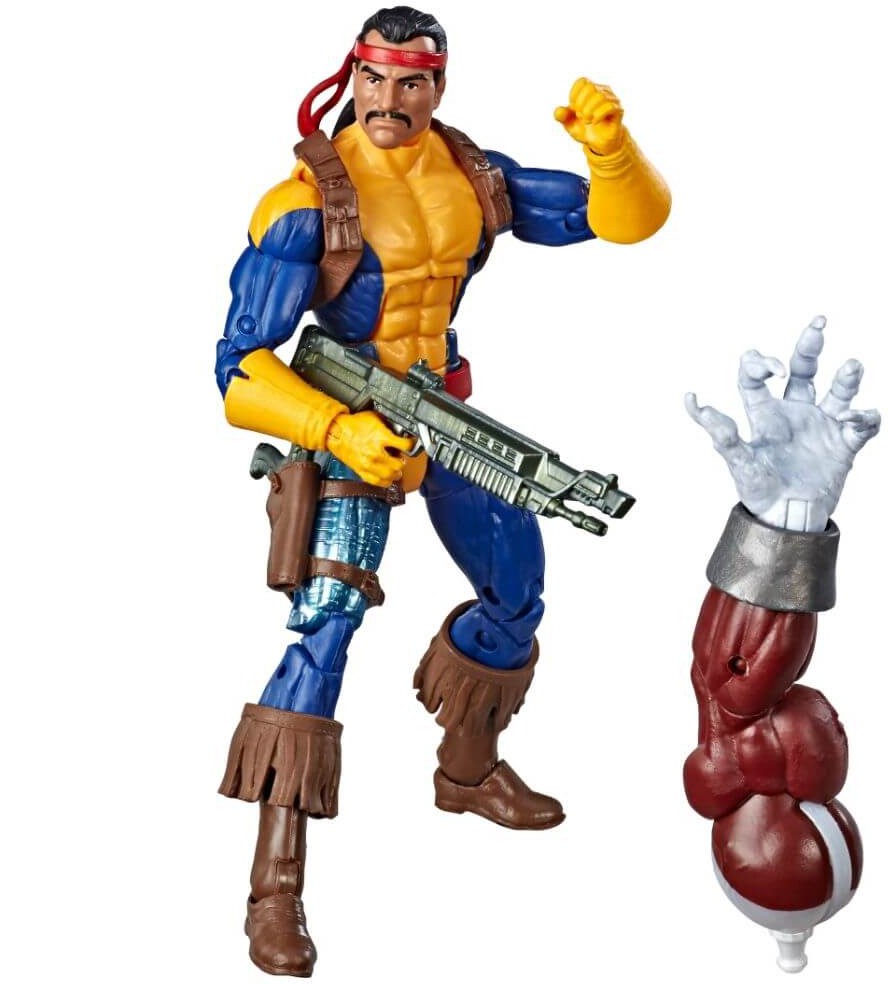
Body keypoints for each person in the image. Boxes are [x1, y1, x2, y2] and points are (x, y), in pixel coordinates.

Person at [215, 6, 670, 976]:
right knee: (326, 629)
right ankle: (274, 886)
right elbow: (237, 369)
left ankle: (466, 771)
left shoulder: (473, 178)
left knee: (517, 590)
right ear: (351, 78)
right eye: (374, 80)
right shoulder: (304, 203)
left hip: (443, 413)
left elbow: (621, 221)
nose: (389, 101)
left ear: (438, 87)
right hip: (349, 428)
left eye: (411, 83)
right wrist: (335, 429)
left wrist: (611, 148)